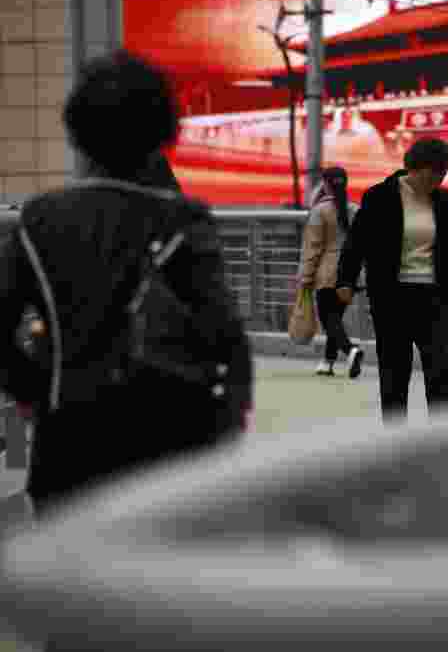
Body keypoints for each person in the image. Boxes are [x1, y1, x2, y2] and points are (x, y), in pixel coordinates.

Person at [0, 50, 253, 517]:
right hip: (171, 440)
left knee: (72, 580)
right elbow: (225, 334)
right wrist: (230, 422)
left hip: (68, 440)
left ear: (77, 130)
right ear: (162, 131)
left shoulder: (37, 219)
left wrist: (38, 390)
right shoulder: (183, 218)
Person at [336, 137, 448, 423]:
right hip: (391, 297)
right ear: (416, 169)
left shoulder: (442, 199)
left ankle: (441, 433)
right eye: (435, 174)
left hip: (432, 295)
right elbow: (356, 242)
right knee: (394, 371)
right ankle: (398, 438)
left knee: (439, 369)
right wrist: (345, 280)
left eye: (444, 174)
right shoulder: (379, 197)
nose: (439, 180)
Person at [298, 166, 364, 378]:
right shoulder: (355, 209)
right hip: (351, 274)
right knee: (335, 318)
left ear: (325, 185)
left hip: (327, 272)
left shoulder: (320, 211)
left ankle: (350, 350)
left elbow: (313, 247)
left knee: (329, 320)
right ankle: (327, 362)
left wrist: (306, 276)